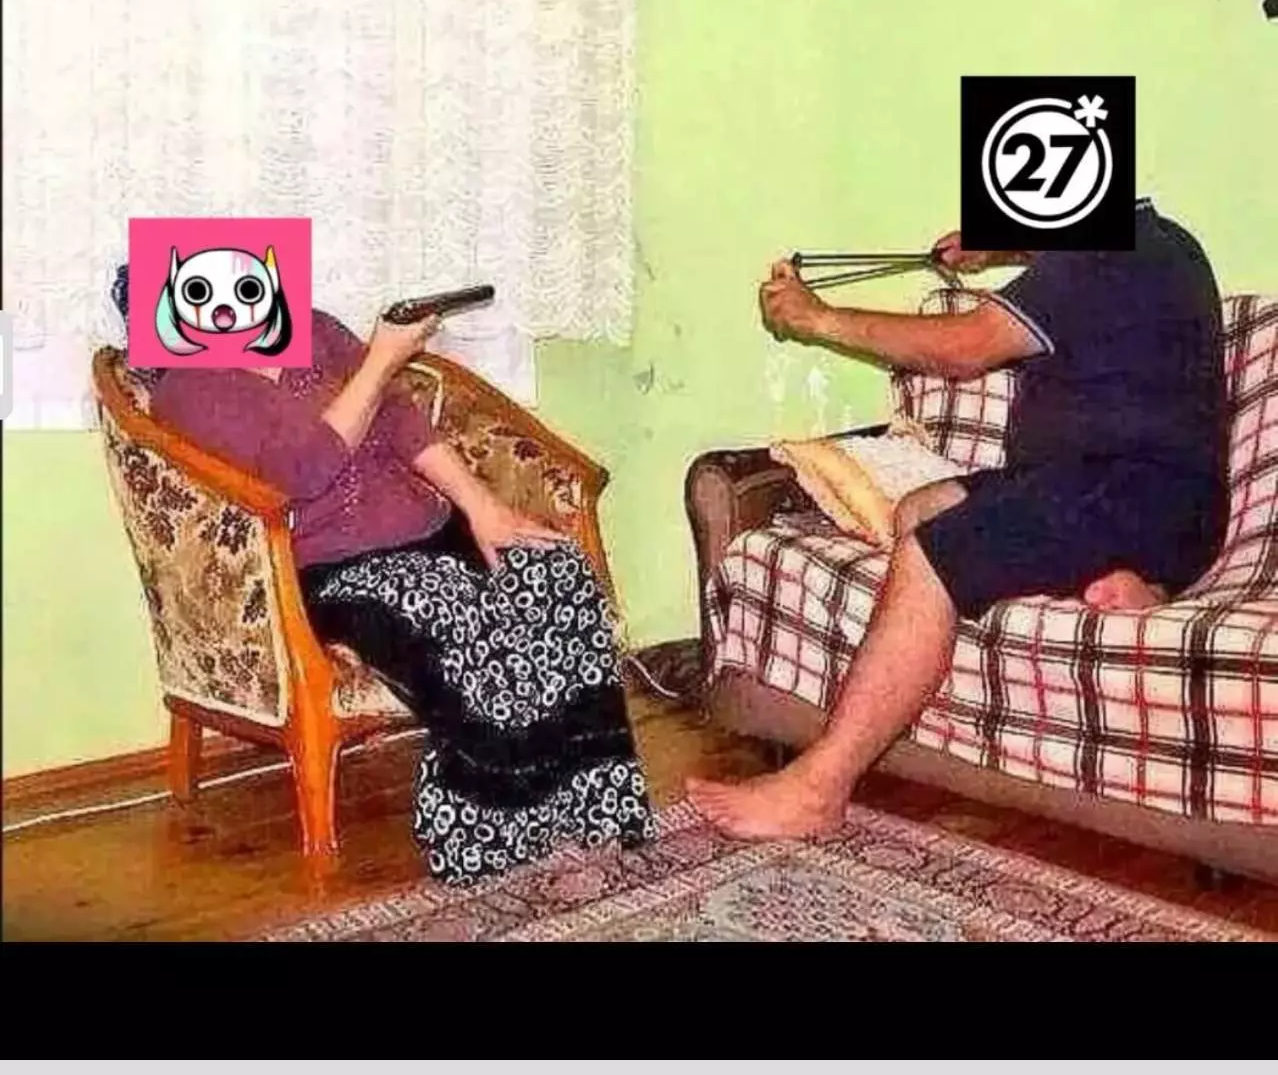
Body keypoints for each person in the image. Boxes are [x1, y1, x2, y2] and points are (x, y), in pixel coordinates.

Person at [687, 197, 1231, 840]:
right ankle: (1134, 584)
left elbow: (963, 348)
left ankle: (819, 788)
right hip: (1152, 508)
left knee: (931, 552)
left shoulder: (1103, 255)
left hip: (1125, 493)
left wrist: (817, 316)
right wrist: (999, 247)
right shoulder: (1157, 242)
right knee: (922, 507)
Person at [112, 269, 655, 884]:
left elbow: (398, 419)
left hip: (430, 526)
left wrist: (482, 507)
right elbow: (300, 473)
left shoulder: (312, 329)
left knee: (556, 574)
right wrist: (381, 360)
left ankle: (594, 801)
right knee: (452, 612)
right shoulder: (189, 390)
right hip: (336, 566)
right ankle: (489, 825)